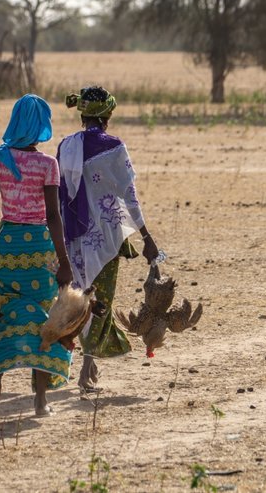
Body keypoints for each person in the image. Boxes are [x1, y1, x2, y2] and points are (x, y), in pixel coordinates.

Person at [0, 93, 74, 422]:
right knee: (43, 322)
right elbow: (53, 216)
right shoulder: (47, 165)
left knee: (8, 320)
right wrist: (64, 261)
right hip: (39, 251)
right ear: (41, 125)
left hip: (7, 251)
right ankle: (40, 400)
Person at [57, 85, 159, 392]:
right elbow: (129, 196)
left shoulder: (66, 146)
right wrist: (146, 237)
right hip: (107, 239)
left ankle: (73, 366)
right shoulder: (114, 147)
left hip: (73, 239)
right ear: (107, 116)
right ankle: (87, 366)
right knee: (101, 301)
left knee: (77, 300)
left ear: (83, 115)